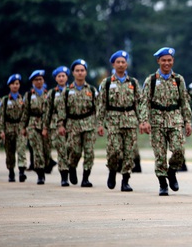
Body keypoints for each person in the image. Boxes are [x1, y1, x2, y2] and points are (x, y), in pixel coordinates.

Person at [140, 47, 191, 196]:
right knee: (160, 155)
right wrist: (144, 120)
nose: (167, 63)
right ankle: (163, 183)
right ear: (158, 61)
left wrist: (187, 121)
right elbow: (144, 102)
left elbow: (184, 101)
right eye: (164, 60)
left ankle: (172, 171)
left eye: (169, 60)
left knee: (179, 150)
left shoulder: (178, 79)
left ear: (173, 61)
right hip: (157, 120)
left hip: (175, 118)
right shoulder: (151, 80)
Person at [98, 50, 147, 192]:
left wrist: (142, 121)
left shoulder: (133, 82)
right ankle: (112, 171)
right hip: (113, 121)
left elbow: (139, 103)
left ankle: (125, 179)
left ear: (126, 65)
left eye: (123, 62)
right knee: (114, 151)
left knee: (129, 152)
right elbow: (101, 105)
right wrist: (100, 123)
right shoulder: (107, 83)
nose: (120, 64)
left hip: (130, 121)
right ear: (113, 64)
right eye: (118, 62)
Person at [56, 59, 102, 187]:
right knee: (74, 151)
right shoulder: (66, 91)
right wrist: (60, 125)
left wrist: (100, 124)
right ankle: (72, 167)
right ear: (73, 73)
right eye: (77, 71)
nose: (80, 73)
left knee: (89, 152)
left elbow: (98, 108)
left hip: (89, 124)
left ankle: (86, 178)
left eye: (82, 70)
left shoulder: (92, 90)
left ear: (86, 72)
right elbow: (61, 109)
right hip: (73, 124)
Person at [20, 70, 49, 185]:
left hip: (46, 124)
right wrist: (23, 127)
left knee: (46, 150)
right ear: (32, 82)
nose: (39, 82)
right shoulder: (28, 95)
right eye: (36, 80)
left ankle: (45, 166)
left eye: (40, 79)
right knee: (37, 150)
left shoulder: (49, 94)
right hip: (32, 124)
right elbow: (25, 112)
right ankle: (40, 175)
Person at [45, 66, 71, 186]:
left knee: (71, 149)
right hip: (56, 124)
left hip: (72, 123)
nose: (61, 78)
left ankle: (72, 169)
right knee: (61, 150)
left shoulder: (72, 90)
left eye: (63, 76)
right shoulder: (52, 93)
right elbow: (48, 111)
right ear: (55, 78)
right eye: (59, 76)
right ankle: (64, 176)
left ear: (67, 77)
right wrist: (45, 127)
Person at [0, 74, 27, 182]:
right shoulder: (5, 100)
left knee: (21, 149)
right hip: (8, 127)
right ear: (9, 86)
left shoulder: (23, 99)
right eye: (13, 84)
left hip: (20, 127)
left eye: (17, 84)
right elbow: (1, 116)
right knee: (9, 151)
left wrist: (25, 127)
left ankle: (21, 172)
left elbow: (26, 114)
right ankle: (11, 172)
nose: (15, 86)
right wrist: (1, 131)